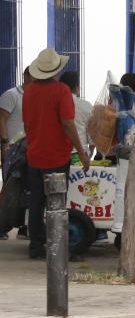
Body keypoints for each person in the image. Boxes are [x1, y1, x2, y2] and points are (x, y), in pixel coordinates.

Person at [20, 49, 92, 260]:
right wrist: (81, 151)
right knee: (57, 204)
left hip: (34, 156)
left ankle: (35, 246)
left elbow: (27, 123)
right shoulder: (61, 91)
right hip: (57, 157)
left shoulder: (29, 91)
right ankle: (57, 248)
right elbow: (68, 124)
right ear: (56, 70)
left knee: (36, 202)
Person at [0, 73, 29, 239]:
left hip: (27, 150)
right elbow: (1, 119)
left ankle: (23, 227)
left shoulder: (34, 96)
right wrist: (4, 143)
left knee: (25, 190)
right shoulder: (11, 95)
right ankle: (1, 227)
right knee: (8, 189)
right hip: (12, 150)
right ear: (27, 77)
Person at [60, 72, 94, 159]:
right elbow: (92, 136)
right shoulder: (86, 105)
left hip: (59, 154)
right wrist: (89, 155)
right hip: (80, 155)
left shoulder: (54, 104)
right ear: (77, 87)